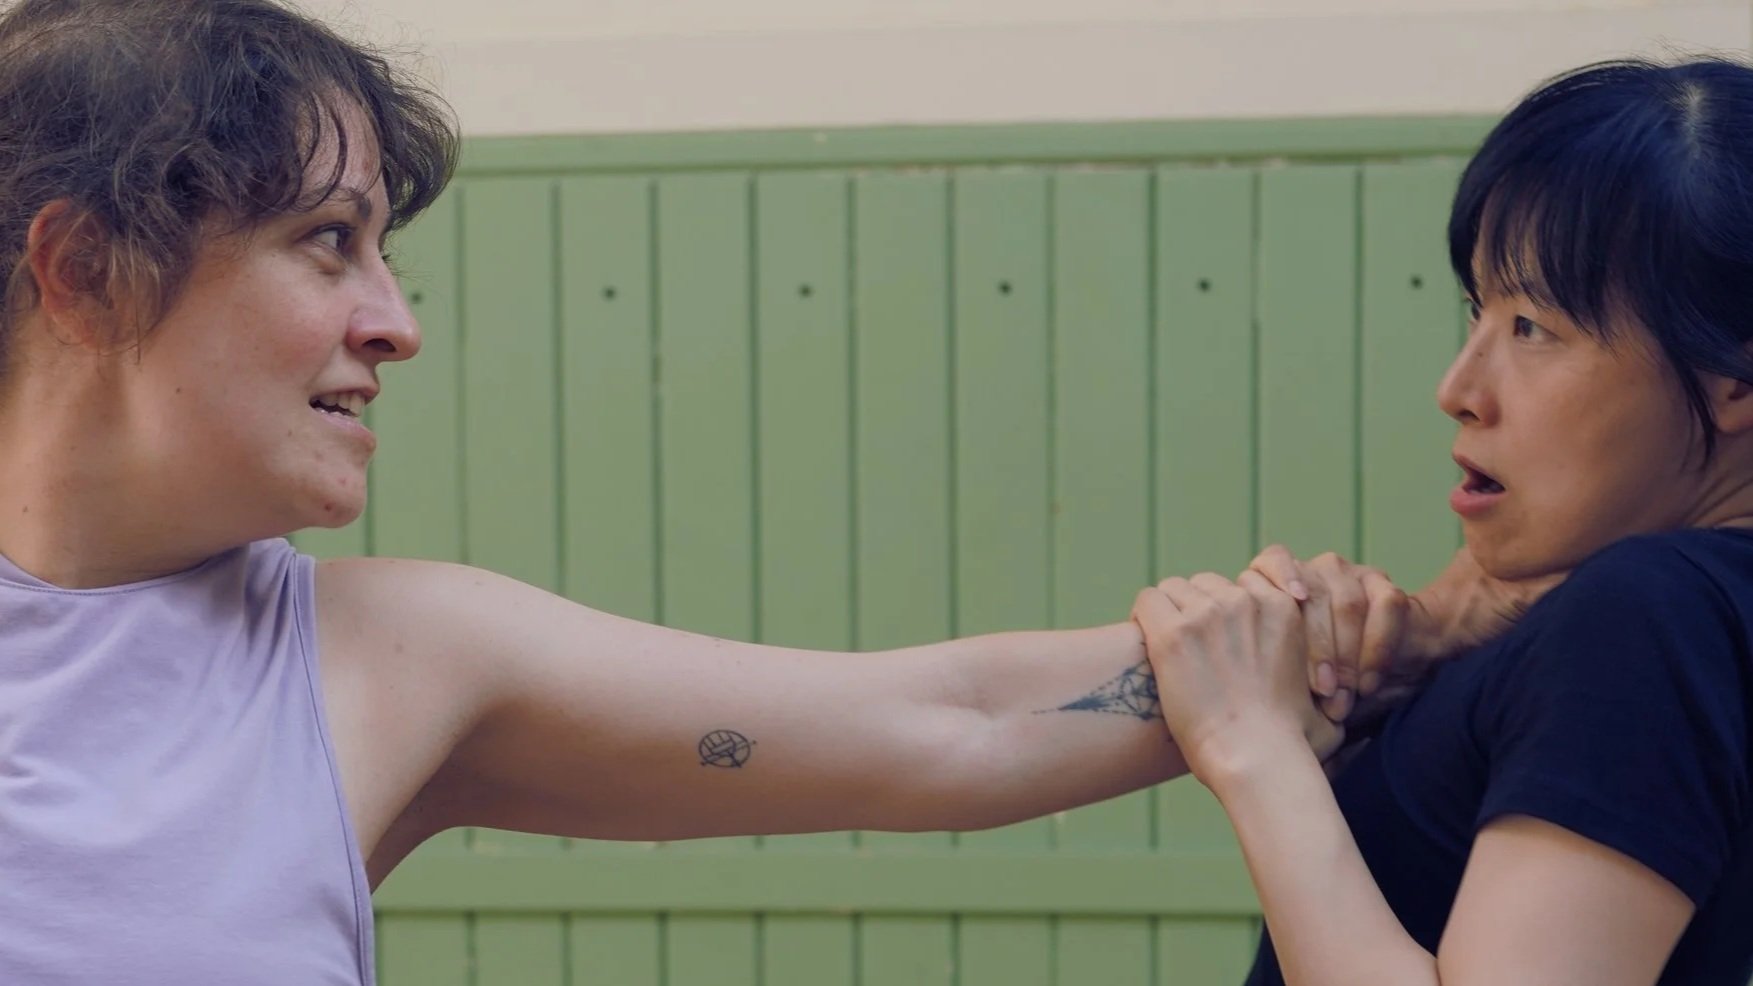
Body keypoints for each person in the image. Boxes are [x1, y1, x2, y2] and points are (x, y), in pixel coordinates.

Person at [0, 1, 1526, 983]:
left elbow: (952, 718)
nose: (396, 321)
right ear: (86, 270)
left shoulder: (377, 658)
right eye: (326, 241)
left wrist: (1381, 633)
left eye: (384, 252)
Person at [1132, 57, 1753, 985]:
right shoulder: (1651, 611)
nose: (1456, 389)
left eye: (1532, 327)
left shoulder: (1651, 616)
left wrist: (1254, 752)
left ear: (1734, 380)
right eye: (1476, 309)